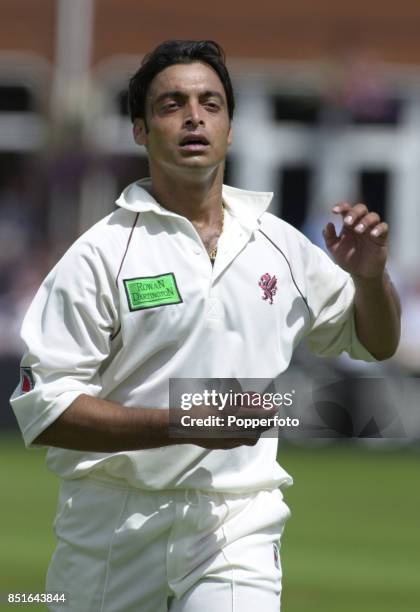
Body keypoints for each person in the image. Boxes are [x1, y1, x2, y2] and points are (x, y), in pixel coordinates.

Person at [10, 40, 401, 612]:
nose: (194, 116)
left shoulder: (281, 244)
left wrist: (370, 280)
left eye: (210, 104)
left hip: (235, 519)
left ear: (230, 128)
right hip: (114, 522)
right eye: (171, 105)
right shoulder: (100, 255)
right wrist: (181, 422)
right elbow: (44, 411)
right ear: (140, 130)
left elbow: (375, 342)